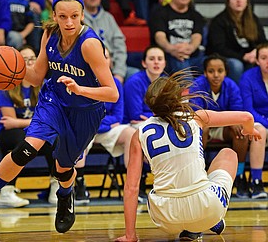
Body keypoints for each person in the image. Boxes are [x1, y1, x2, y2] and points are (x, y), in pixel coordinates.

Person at [0, 0, 119, 234]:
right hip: (53, 101)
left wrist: (80, 89)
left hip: (85, 110)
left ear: (82, 15)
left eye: (74, 16)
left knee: (64, 168)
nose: (69, 22)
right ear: (53, 15)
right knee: (25, 149)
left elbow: (112, 93)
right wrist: (15, 68)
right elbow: (35, 78)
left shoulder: (90, 45)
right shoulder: (49, 36)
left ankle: (65, 195)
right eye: (63, 16)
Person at [115, 70, 261, 242]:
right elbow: (246, 116)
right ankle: (208, 221)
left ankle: (193, 227)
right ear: (177, 99)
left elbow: (131, 189)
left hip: (165, 217)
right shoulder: (195, 117)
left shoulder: (139, 133)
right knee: (228, 154)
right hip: (205, 207)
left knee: (159, 188)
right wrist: (249, 130)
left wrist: (130, 235)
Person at [189, 53, 267, 199]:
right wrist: (229, 121)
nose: (216, 75)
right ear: (205, 73)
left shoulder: (231, 86)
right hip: (204, 126)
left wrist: (233, 123)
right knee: (201, 130)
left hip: (224, 127)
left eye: (220, 71)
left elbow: (237, 110)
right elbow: (197, 114)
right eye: (211, 71)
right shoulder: (197, 86)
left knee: (241, 132)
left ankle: (239, 176)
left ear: (226, 72)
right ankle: (198, 174)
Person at [0, 45, 58, 207]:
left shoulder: (45, 86)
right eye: (24, 60)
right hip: (11, 135)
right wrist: (32, 122)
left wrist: (20, 122)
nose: (29, 63)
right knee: (20, 138)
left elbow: (50, 119)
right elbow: (9, 122)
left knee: (55, 138)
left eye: (32, 59)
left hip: (37, 132)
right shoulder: (7, 86)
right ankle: (6, 191)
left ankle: (56, 187)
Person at [74, 47, 136, 204]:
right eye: (99, 56)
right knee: (78, 135)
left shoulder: (115, 83)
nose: (103, 60)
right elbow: (81, 115)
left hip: (103, 129)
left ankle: (134, 185)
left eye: (106, 57)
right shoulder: (81, 82)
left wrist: (101, 123)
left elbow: (118, 116)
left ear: (110, 61)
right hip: (85, 128)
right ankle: (79, 185)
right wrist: (105, 123)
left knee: (131, 133)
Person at [123, 45, 167, 202]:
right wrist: (160, 115)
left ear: (164, 63)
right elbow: (135, 115)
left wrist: (154, 115)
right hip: (133, 125)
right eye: (152, 59)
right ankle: (139, 181)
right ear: (144, 63)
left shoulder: (167, 83)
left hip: (155, 121)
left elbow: (171, 111)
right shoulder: (134, 82)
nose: (156, 62)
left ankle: (166, 183)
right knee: (146, 134)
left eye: (160, 59)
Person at [206, 0, 267, 84]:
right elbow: (219, 48)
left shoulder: (253, 18)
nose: (239, 1)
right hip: (225, 56)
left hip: (249, 57)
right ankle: (236, 96)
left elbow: (263, 42)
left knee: (260, 61)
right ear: (228, 2)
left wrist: (256, 52)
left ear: (247, 1)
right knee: (236, 65)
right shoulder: (219, 21)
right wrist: (243, 56)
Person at [80, 0, 139, 84]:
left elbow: (120, 46)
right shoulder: (79, 20)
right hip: (89, 68)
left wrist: (119, 73)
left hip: (112, 66)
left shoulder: (109, 18)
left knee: (134, 74)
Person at [148, 0, 205, 76]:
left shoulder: (196, 15)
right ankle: (190, 90)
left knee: (213, 63)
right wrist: (172, 49)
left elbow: (197, 36)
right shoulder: (160, 13)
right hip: (170, 56)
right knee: (181, 62)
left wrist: (190, 48)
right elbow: (159, 36)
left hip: (193, 55)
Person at [239, 42, 268, 199]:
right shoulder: (248, 78)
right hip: (255, 120)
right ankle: (256, 181)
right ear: (257, 60)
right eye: (264, 58)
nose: (267, 62)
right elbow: (248, 110)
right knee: (260, 132)